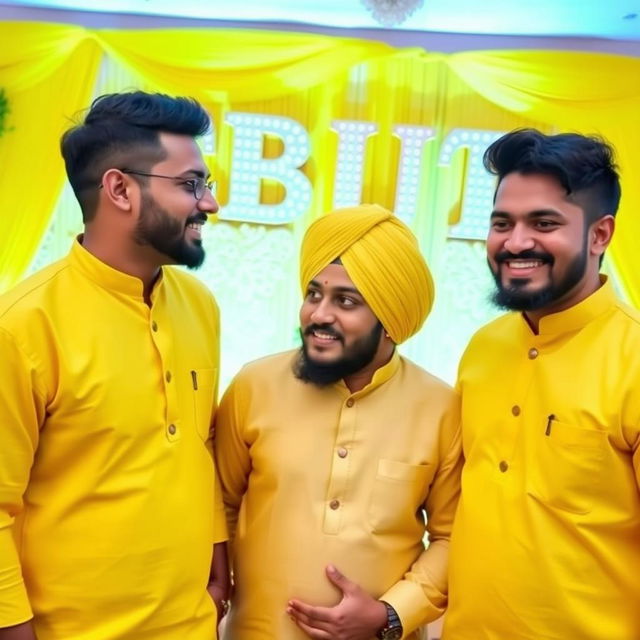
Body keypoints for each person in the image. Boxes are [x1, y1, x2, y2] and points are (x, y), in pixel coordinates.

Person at [0, 91, 229, 640]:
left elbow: (197, 446)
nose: (210, 204)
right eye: (191, 184)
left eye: (207, 184)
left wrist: (218, 550)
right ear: (120, 189)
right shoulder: (25, 325)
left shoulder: (200, 306)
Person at [214, 204, 462, 640]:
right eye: (313, 294)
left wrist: (389, 614)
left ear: (390, 321)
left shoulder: (440, 408)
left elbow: (451, 536)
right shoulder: (255, 385)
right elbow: (219, 504)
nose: (319, 315)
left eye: (345, 301)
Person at [443, 129, 640, 639]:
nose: (516, 242)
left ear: (600, 235)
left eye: (544, 223)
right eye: (501, 223)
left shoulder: (632, 359)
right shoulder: (483, 348)